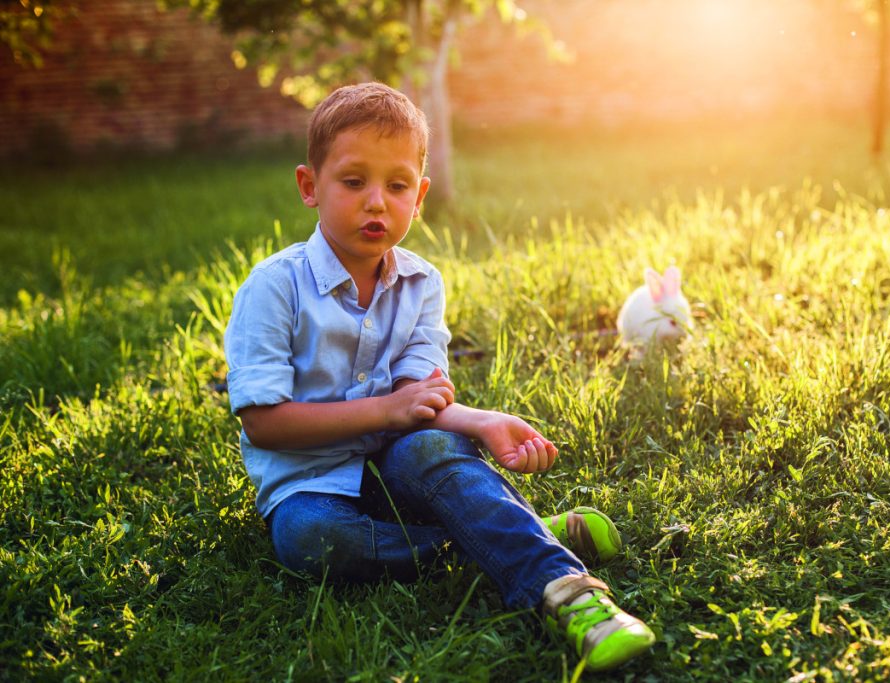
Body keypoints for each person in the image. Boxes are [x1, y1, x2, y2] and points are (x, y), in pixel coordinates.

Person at [223, 82, 655, 671]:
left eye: (397, 186)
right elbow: (264, 423)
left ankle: (568, 591)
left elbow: (417, 402)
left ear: (419, 196)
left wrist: (482, 421)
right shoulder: (275, 288)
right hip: (311, 484)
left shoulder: (421, 282)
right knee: (311, 541)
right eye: (354, 182)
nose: (377, 202)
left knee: (432, 447)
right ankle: (513, 533)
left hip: (398, 462)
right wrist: (386, 413)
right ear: (310, 186)